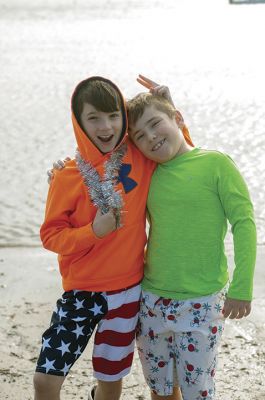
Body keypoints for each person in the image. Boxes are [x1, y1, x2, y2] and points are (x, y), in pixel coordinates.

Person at [125, 78, 257, 400]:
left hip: (202, 301)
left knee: (198, 391)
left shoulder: (216, 165)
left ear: (179, 120)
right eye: (140, 136)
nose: (151, 137)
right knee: (161, 389)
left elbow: (244, 223)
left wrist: (242, 287)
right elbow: (104, 161)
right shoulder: (147, 173)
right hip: (151, 301)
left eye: (156, 124)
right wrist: (66, 169)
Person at [34, 76, 161, 400]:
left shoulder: (140, 157)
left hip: (127, 291)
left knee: (110, 380)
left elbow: (173, 145)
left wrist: (168, 107)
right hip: (81, 292)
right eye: (94, 118)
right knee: (45, 381)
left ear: (123, 117)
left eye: (113, 115)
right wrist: (94, 232)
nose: (106, 126)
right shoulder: (67, 176)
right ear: (79, 121)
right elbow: (51, 235)